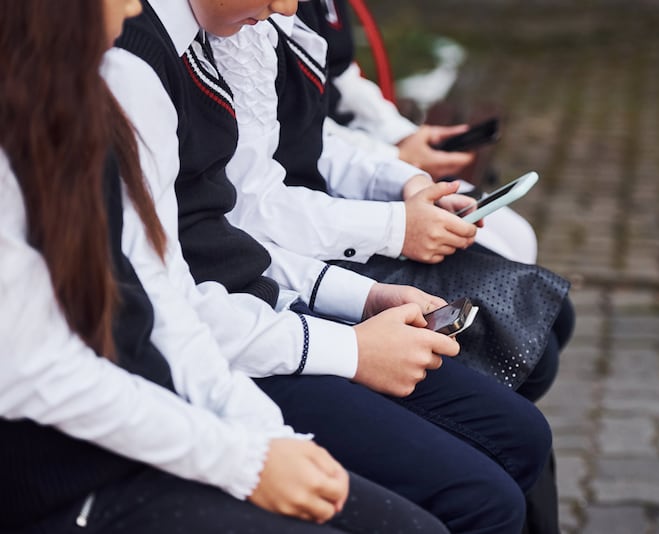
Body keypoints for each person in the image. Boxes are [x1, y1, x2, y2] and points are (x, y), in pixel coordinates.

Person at [0, 1, 450, 533]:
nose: (135, 2)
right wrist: (245, 459)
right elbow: (36, 370)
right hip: (63, 476)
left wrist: (266, 437)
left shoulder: (89, 87)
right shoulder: (128, 71)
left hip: (166, 401)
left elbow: (165, 293)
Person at [104, 0, 554, 531]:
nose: (288, 8)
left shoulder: (208, 31)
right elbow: (178, 290)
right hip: (228, 345)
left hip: (259, 312)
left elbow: (239, 221)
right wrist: (344, 349)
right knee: (481, 495)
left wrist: (361, 299)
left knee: (522, 430)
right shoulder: (130, 66)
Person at [211, 10, 572, 401]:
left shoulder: (255, 21)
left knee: (545, 310)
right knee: (528, 351)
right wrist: (395, 227)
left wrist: (405, 174)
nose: (285, 6)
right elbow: (253, 206)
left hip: (308, 234)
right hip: (293, 250)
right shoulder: (229, 27)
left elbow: (316, 124)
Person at [315, 0, 540, 265]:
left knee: (519, 238)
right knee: (505, 263)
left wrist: (403, 139)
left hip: (358, 161)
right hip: (323, 194)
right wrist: (396, 158)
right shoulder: (269, 18)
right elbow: (297, 132)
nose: (284, 8)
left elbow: (340, 74)